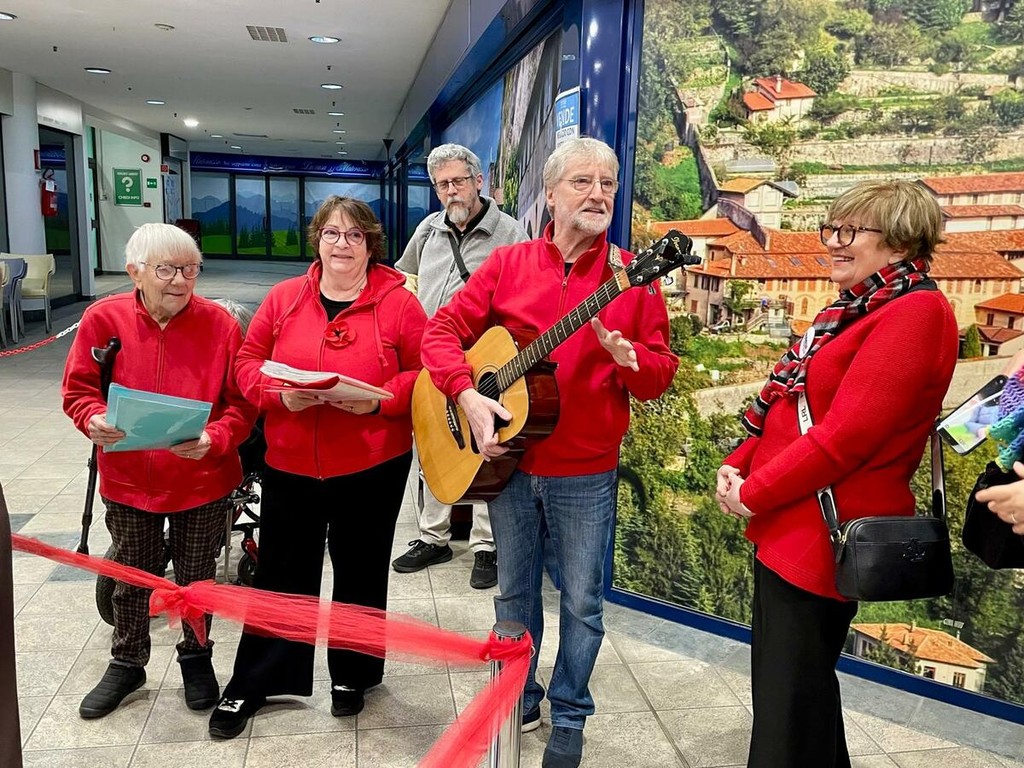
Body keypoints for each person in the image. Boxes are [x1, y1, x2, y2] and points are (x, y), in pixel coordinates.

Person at [420, 137, 679, 768]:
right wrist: (467, 394)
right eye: (582, 182)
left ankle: (569, 715)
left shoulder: (632, 276)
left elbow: (660, 374)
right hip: (507, 465)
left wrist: (633, 360)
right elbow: (441, 332)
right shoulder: (509, 264)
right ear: (551, 193)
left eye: (608, 184)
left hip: (586, 472)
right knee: (514, 597)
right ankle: (520, 697)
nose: (597, 194)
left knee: (583, 604)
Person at [715, 180, 959, 767]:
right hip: (793, 524)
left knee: (790, 712)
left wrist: (755, 492)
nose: (833, 242)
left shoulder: (916, 314)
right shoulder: (855, 309)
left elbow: (844, 438)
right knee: (800, 703)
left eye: (851, 231)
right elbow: (793, 402)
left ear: (900, 243)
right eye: (832, 228)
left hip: (822, 533)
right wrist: (740, 460)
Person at [208, 196, 427, 738]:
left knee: (361, 571)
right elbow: (246, 363)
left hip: (372, 462)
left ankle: (354, 674)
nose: (342, 244)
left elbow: (424, 372)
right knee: (282, 574)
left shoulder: (401, 304)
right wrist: (280, 395)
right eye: (332, 233)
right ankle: (257, 679)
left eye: (354, 235)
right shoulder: (284, 298)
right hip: (291, 461)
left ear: (371, 244)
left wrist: (378, 401)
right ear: (317, 240)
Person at [62, 223, 257, 718]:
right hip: (130, 479)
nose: (180, 281)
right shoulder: (103, 319)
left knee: (196, 579)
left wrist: (215, 438)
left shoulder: (221, 325)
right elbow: (78, 391)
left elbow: (242, 405)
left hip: (203, 478)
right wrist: (93, 418)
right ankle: (127, 662)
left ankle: (196, 657)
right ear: (135, 272)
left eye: (190, 270)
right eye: (166, 270)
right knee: (132, 576)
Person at [392, 143, 528, 589]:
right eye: (442, 185)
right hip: (434, 357)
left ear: (478, 181)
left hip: (485, 361)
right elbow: (405, 276)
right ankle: (433, 537)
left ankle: (486, 546)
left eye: (458, 181)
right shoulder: (428, 230)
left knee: (485, 446)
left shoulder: (510, 234)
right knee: (431, 446)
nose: (451, 191)